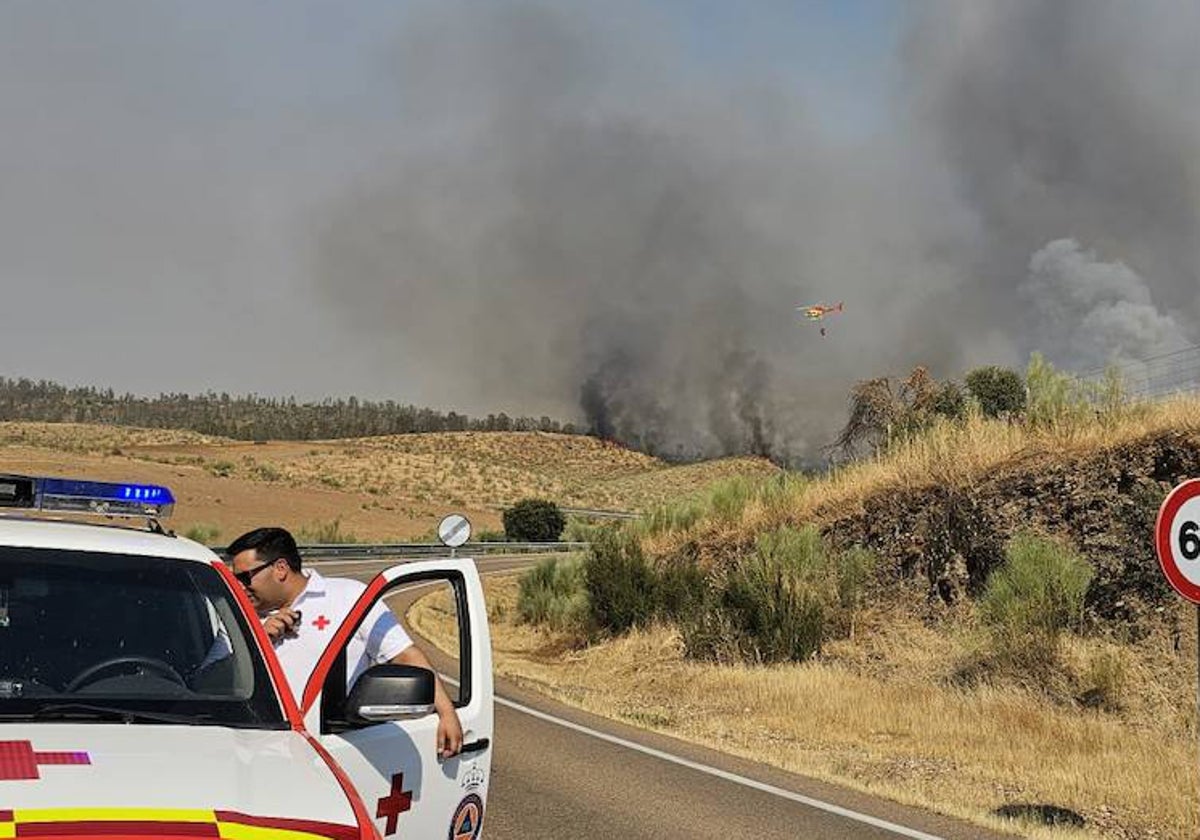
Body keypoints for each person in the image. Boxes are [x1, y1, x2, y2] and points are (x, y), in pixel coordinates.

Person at [225, 526, 463, 758]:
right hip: (249, 750)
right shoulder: (232, 614)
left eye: (245, 577)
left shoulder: (348, 597)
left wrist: (446, 713)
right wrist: (256, 641)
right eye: (234, 579)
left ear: (280, 568)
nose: (238, 586)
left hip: (331, 750)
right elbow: (211, 679)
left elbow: (404, 656)